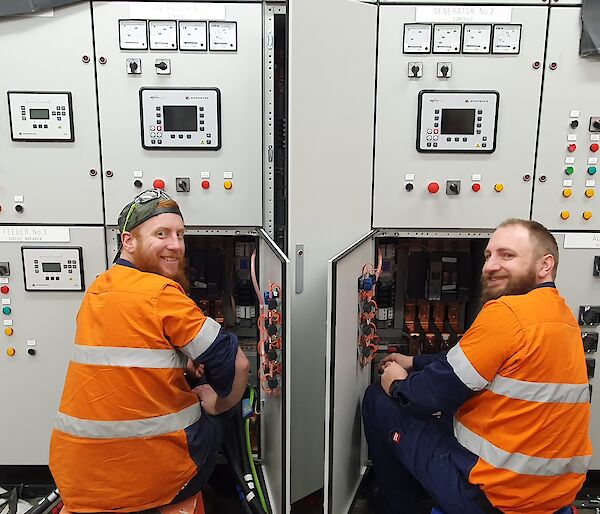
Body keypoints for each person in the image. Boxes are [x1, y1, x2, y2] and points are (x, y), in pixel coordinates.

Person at [362, 219, 592, 514]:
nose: (490, 266)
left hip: (490, 497)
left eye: (507, 255)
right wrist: (414, 361)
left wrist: (396, 383)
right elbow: (467, 361)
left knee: (378, 400)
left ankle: (397, 506)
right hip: (550, 495)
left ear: (545, 265)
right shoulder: (561, 316)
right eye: (488, 256)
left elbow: (426, 396)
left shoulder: (507, 312)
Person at [49, 188, 250, 513]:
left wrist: (180, 369)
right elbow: (239, 366)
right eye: (161, 234)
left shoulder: (97, 289)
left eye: (180, 234)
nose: (176, 245)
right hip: (151, 478)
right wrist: (218, 402)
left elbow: (126, 361)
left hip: (75, 475)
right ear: (128, 241)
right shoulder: (160, 293)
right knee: (231, 406)